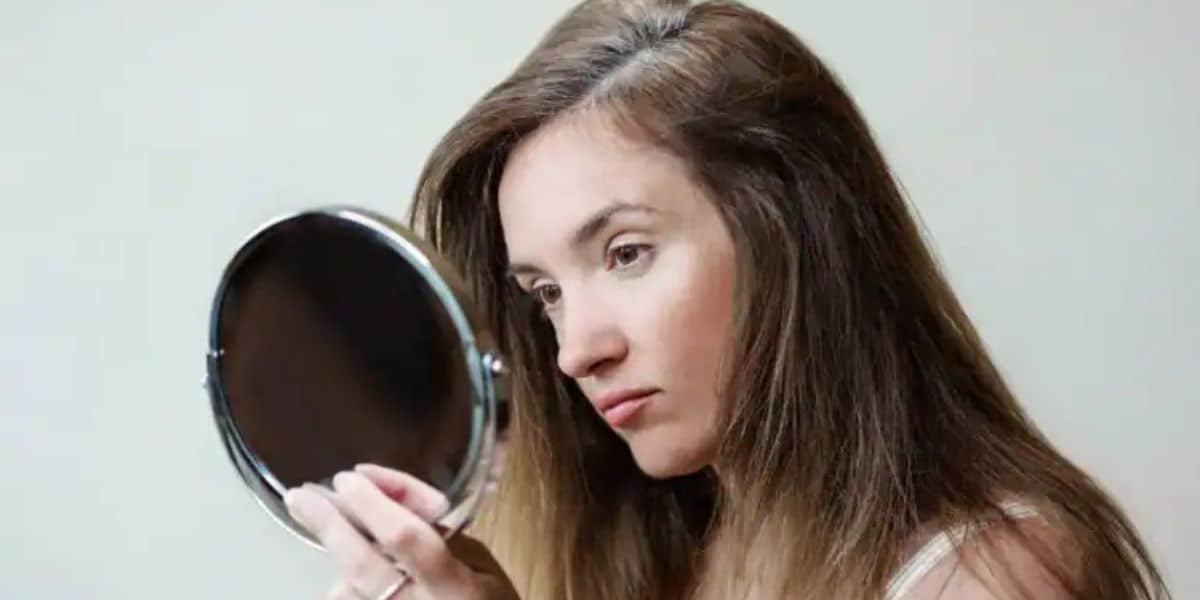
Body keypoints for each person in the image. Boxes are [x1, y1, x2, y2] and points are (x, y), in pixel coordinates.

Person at [280, 1, 1171, 598]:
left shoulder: (994, 574)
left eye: (626, 253)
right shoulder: (659, 559)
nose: (573, 350)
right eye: (546, 293)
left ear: (793, 235)